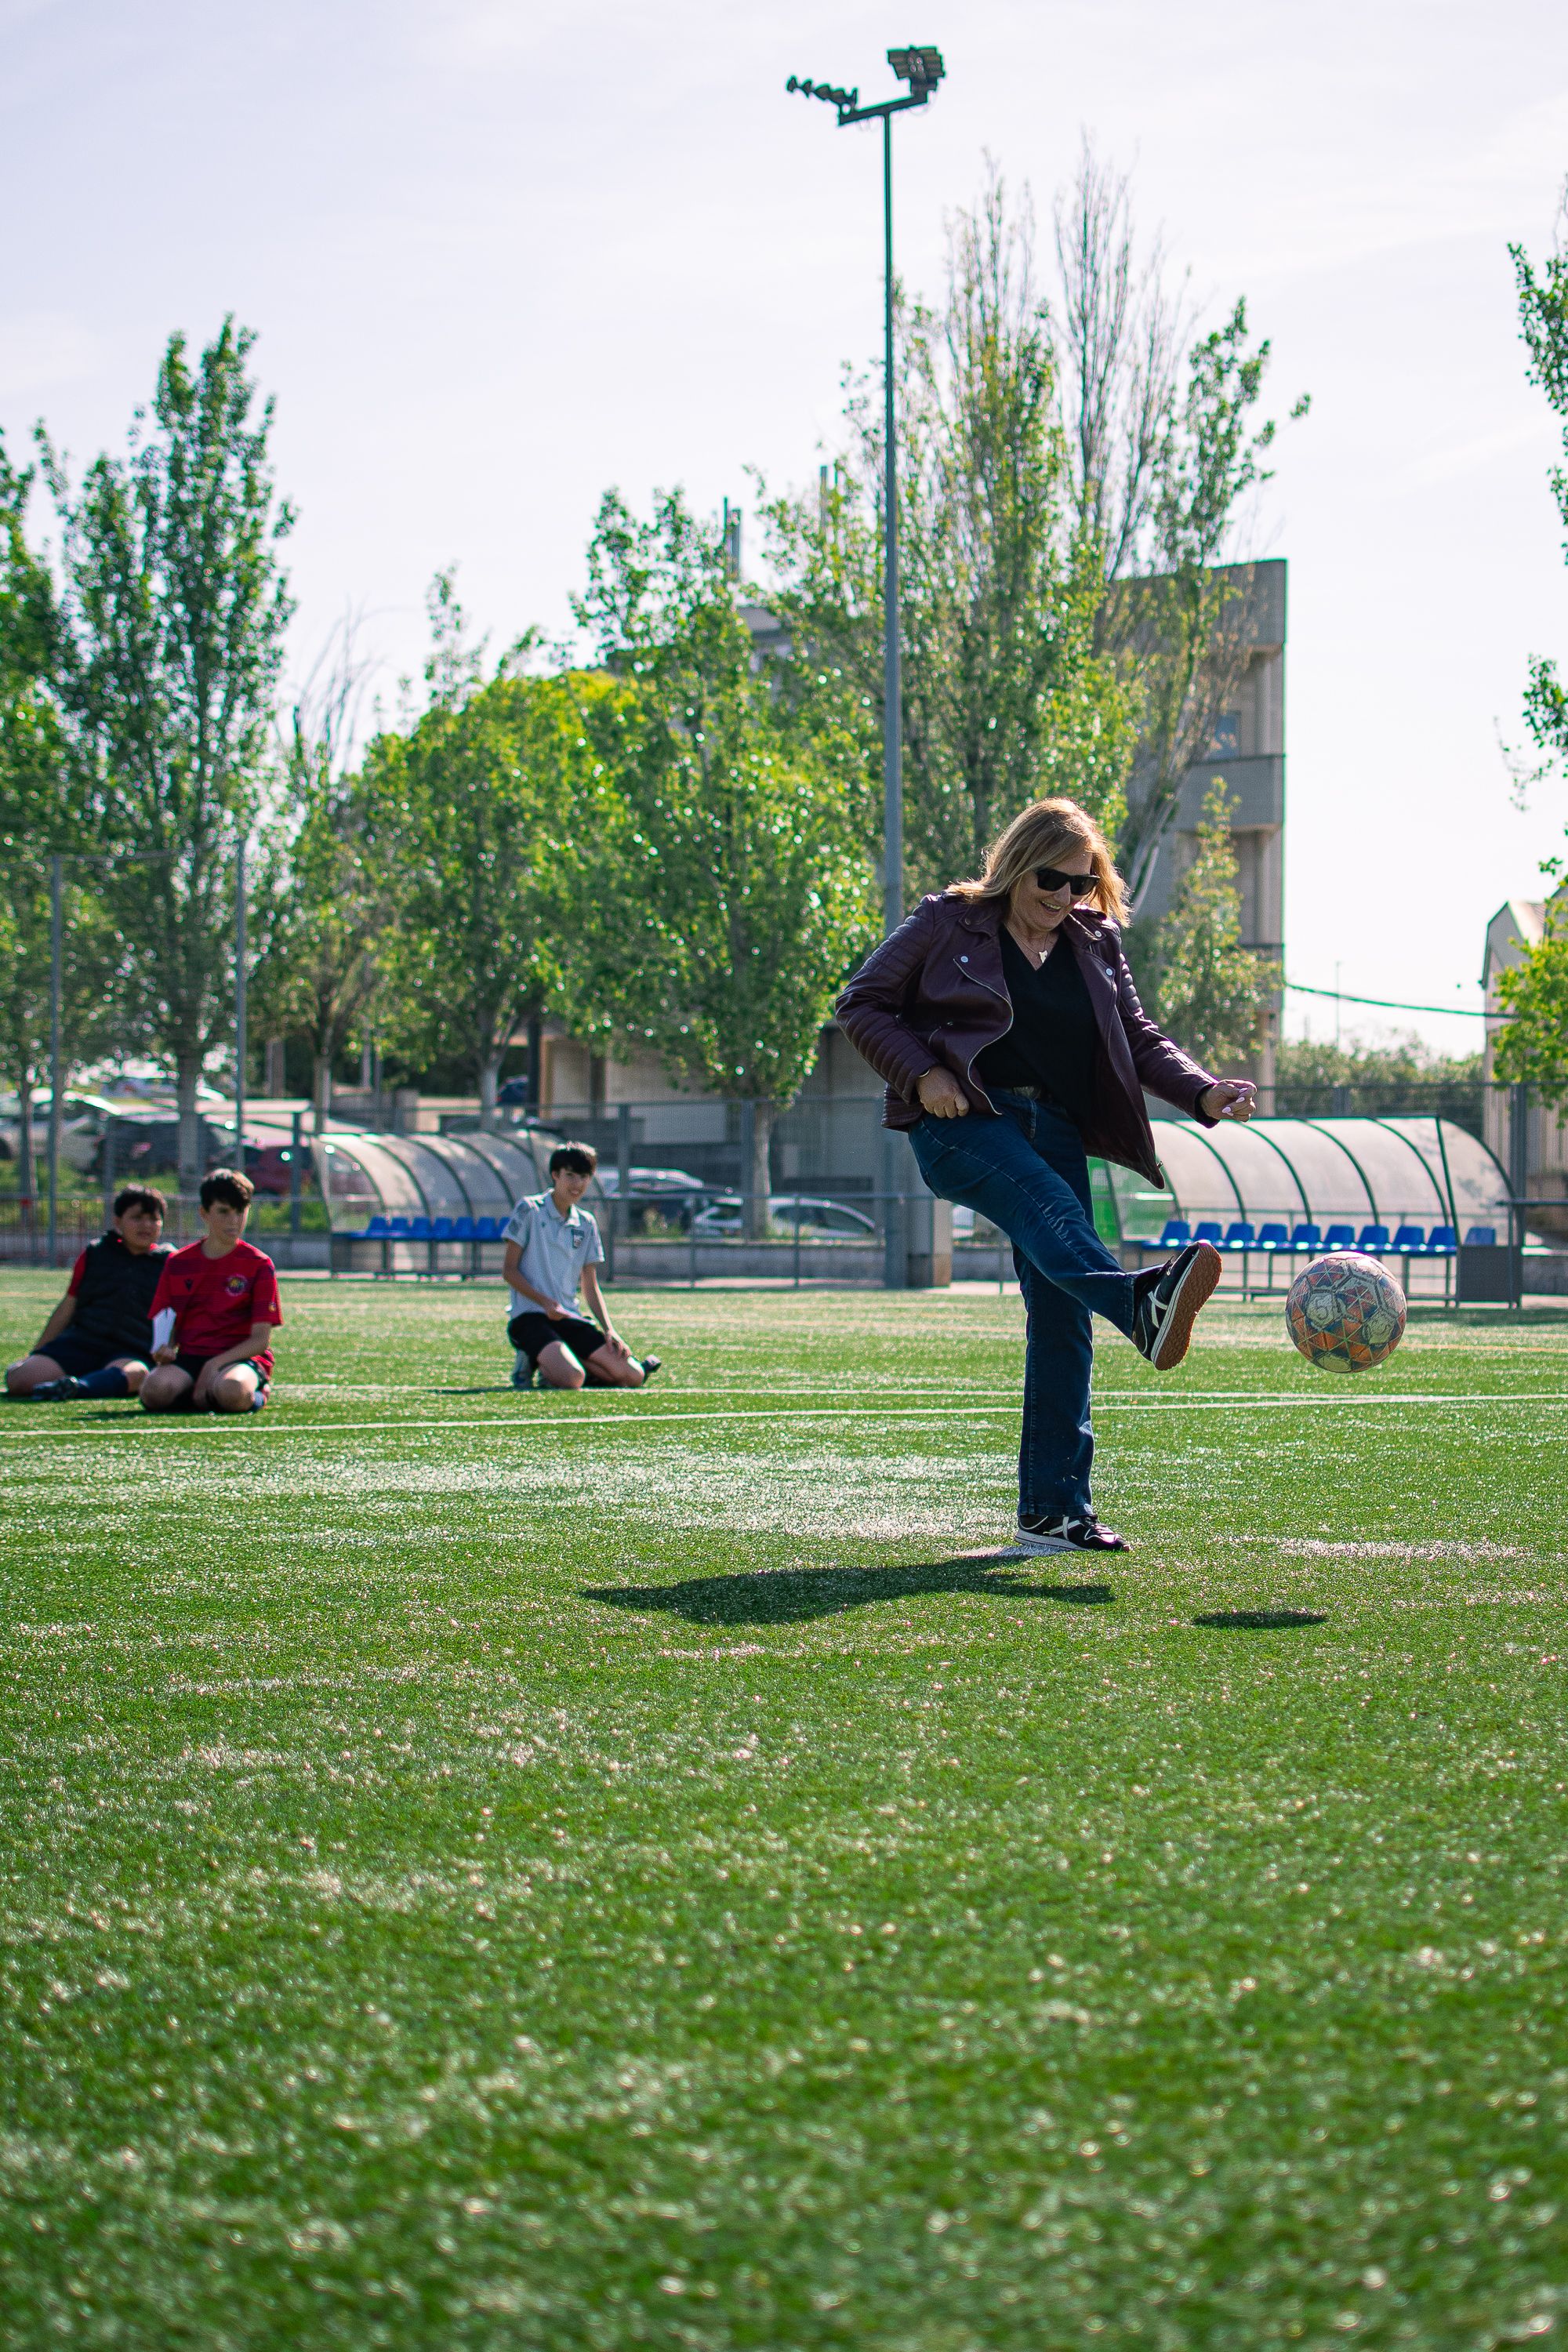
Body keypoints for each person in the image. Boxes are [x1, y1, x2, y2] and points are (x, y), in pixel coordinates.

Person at [836, 795, 1257, 1557]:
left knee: (1061, 1313)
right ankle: (1138, 1303)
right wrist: (922, 1071)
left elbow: (1135, 1036)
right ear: (1015, 867)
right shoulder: (947, 922)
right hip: (963, 1121)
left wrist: (1201, 1089)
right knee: (1046, 1212)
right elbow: (861, 1003)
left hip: (1056, 1128)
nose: (1064, 898)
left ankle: (1053, 1512)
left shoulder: (1094, 940)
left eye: (1081, 883)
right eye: (1051, 881)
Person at [503, 1142, 661, 1392]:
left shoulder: (586, 1223)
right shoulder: (530, 1210)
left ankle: (560, 1359)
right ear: (555, 1175)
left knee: (634, 1376)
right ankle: (533, 1357)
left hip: (568, 1318)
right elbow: (509, 1270)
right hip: (530, 1318)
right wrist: (545, 1302)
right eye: (570, 1175)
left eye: (584, 1177)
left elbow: (590, 1284)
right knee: (572, 1380)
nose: (577, 1184)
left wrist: (610, 1330)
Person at [6, 1185, 172, 1400]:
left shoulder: (171, 1263)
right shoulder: (96, 1253)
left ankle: (77, 1387)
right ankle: (91, 1380)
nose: (146, 1225)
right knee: (21, 1379)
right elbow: (69, 1305)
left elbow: (178, 1316)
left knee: (137, 1374)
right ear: (118, 1221)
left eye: (153, 1218)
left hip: (132, 1349)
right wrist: (38, 1352)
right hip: (84, 1341)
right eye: (137, 1217)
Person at [140, 1168, 282, 1414]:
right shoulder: (178, 1263)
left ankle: (256, 1391)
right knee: (153, 1392)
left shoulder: (259, 1264)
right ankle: (201, 1392)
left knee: (233, 1392)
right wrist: (164, 1348)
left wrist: (214, 1365)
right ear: (204, 1213)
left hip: (240, 1359)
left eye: (240, 1212)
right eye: (224, 1212)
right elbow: (167, 1323)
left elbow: (260, 1340)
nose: (234, 1221)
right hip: (191, 1357)